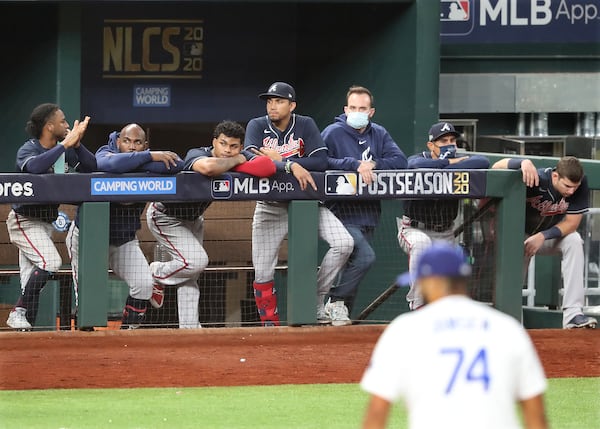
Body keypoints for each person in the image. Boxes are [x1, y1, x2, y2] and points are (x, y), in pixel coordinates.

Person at [361, 241, 548, 429]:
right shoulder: (508, 328)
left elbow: (377, 413)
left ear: (432, 282)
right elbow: (536, 417)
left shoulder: (404, 330)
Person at [146, 120, 276, 329]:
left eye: (233, 146)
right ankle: (156, 272)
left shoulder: (237, 156)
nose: (227, 150)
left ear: (240, 147)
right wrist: (240, 160)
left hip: (194, 218)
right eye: (223, 144)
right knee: (196, 261)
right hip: (165, 216)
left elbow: (268, 166)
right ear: (214, 142)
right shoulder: (196, 153)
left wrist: (238, 160)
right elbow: (208, 168)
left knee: (190, 276)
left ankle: (190, 330)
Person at [244, 81, 354, 326]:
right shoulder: (257, 125)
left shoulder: (305, 124)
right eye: (269, 101)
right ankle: (270, 326)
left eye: (279, 101)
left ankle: (314, 300)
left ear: (291, 105)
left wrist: (279, 160)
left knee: (344, 243)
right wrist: (291, 164)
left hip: (306, 203)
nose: (272, 106)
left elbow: (321, 161)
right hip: (270, 207)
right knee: (262, 272)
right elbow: (251, 159)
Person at [67, 123, 184, 329]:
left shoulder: (151, 154)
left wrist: (135, 163)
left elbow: (177, 164)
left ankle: (126, 336)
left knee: (144, 285)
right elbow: (106, 164)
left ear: (145, 144)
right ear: (118, 141)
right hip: (88, 239)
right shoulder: (106, 151)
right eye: (127, 141)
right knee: (88, 295)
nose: (132, 147)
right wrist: (148, 158)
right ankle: (85, 343)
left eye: (138, 143)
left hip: (124, 240)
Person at [322, 85, 407, 325]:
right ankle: (334, 301)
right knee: (365, 258)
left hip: (368, 213)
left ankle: (335, 326)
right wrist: (354, 164)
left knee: (355, 269)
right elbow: (320, 160)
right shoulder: (333, 132)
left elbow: (399, 161)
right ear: (345, 109)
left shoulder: (378, 133)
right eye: (353, 108)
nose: (357, 112)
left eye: (363, 108)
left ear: (371, 112)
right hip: (339, 212)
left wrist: (374, 164)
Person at [6, 103, 95, 330]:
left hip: (45, 224)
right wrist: (66, 143)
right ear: (49, 126)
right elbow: (35, 168)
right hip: (24, 221)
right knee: (51, 262)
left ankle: (24, 332)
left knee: (30, 284)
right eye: (63, 121)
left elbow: (91, 166)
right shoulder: (29, 148)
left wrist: (77, 142)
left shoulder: (64, 148)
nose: (67, 124)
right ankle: (17, 312)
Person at [492, 156, 597, 329]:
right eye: (567, 186)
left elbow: (572, 223)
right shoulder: (538, 179)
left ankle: (573, 314)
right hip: (516, 236)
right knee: (514, 278)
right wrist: (521, 162)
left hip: (545, 237)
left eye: (575, 187)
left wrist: (543, 236)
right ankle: (511, 320)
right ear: (556, 177)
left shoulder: (580, 184)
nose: (571, 192)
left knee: (573, 240)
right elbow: (496, 167)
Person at [397, 121, 489, 310]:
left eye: (452, 140)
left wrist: (446, 168)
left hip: (446, 232)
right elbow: (414, 164)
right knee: (421, 245)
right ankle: (418, 306)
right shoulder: (419, 158)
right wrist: (448, 163)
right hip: (414, 228)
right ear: (431, 145)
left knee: (457, 265)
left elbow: (483, 161)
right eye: (443, 141)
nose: (449, 144)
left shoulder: (462, 159)